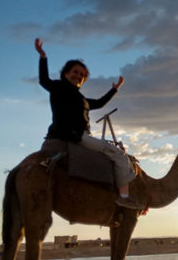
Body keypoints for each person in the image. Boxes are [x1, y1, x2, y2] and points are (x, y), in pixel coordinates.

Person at [34, 38, 141, 209]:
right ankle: (124, 196)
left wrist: (115, 89)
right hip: (74, 137)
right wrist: (43, 57)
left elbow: (99, 103)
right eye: (75, 72)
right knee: (119, 155)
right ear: (66, 73)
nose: (78, 76)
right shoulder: (59, 87)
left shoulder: (81, 99)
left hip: (78, 136)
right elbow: (44, 80)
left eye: (82, 75)